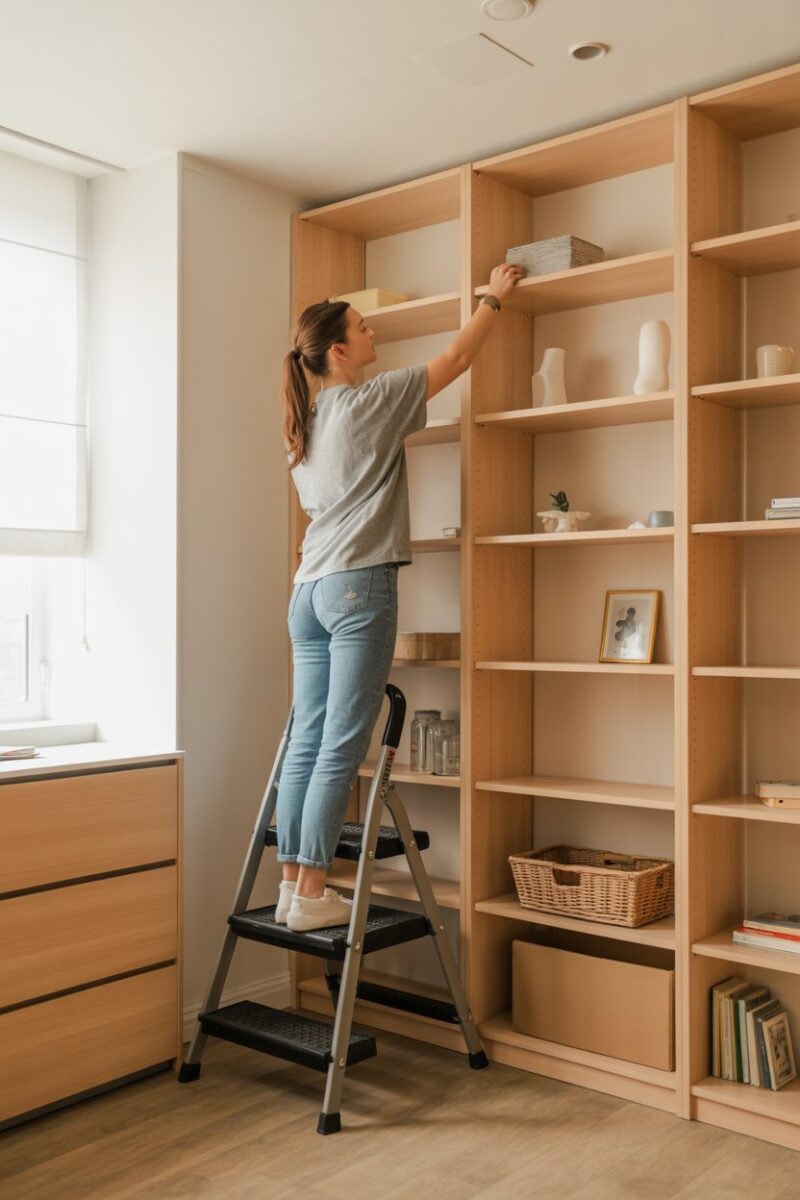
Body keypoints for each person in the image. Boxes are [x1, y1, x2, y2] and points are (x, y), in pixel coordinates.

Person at [276, 262, 523, 931]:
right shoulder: (366, 401)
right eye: (362, 326)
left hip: (309, 590)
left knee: (306, 740)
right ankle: (314, 890)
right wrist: (492, 298)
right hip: (359, 587)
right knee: (339, 747)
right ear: (338, 351)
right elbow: (457, 356)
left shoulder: (304, 427)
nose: (371, 329)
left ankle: (292, 885)